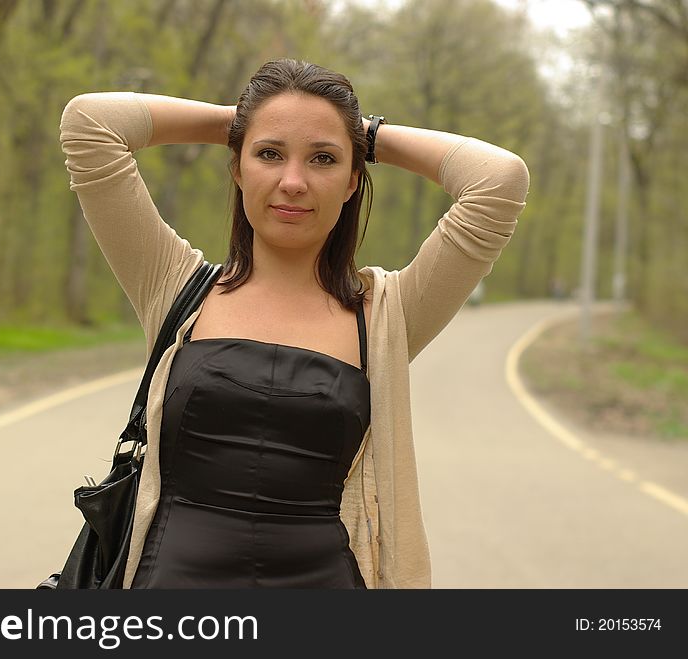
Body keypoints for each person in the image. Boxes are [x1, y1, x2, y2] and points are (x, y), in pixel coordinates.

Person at [59, 59, 529, 588]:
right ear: (236, 168)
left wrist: (364, 135)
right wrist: (241, 123)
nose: (293, 181)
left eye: (323, 159)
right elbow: (90, 123)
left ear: (354, 181)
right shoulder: (174, 286)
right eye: (269, 154)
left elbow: (500, 180)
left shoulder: (385, 316)